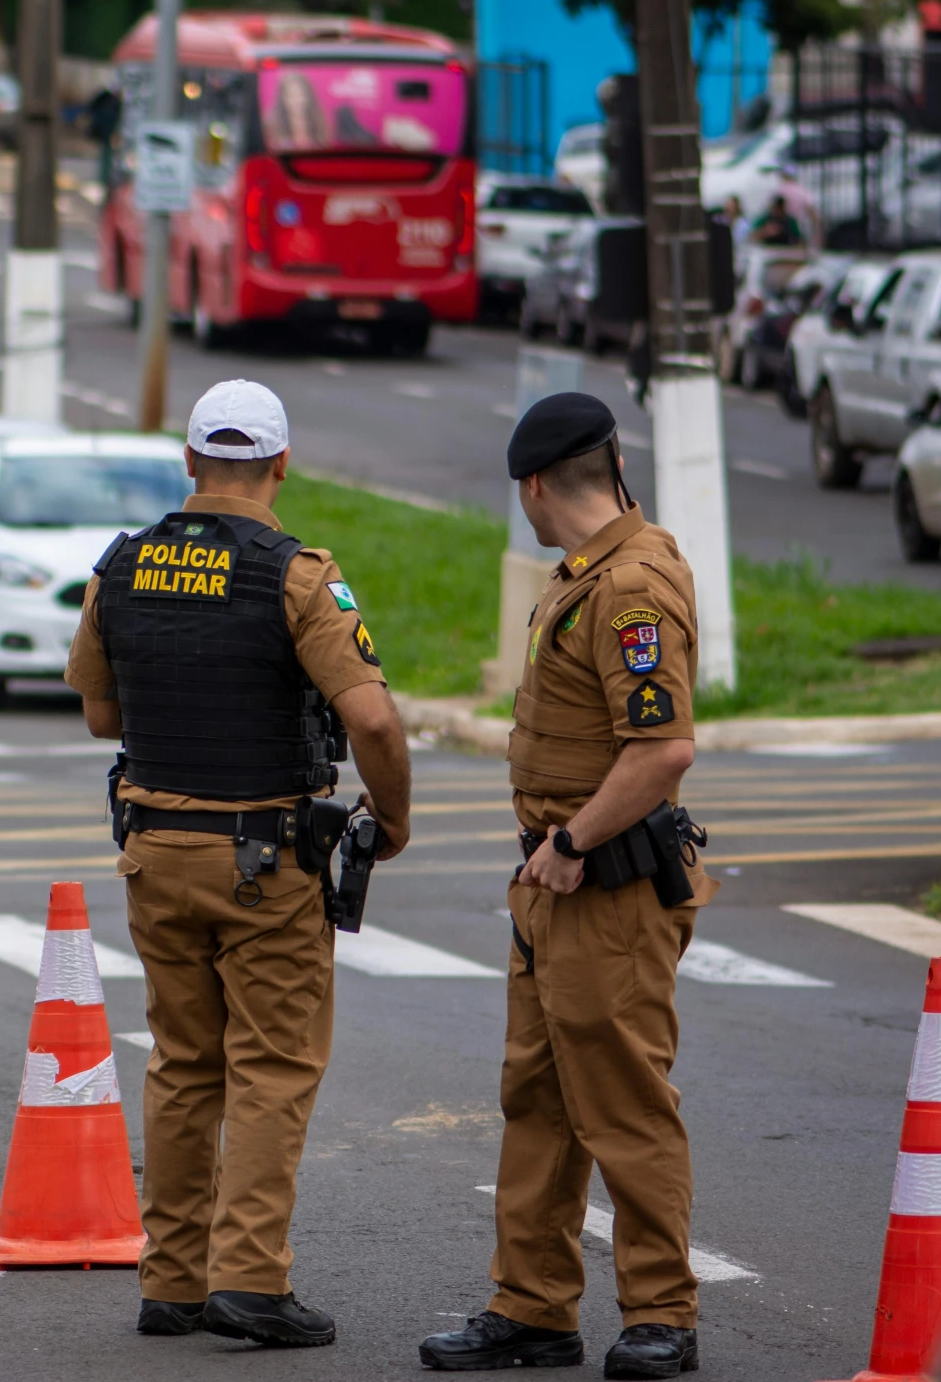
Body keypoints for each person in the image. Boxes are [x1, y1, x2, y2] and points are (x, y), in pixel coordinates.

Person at [65, 379, 413, 1349]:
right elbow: (373, 716)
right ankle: (251, 1280)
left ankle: (172, 1281)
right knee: (269, 1065)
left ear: (187, 463)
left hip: (153, 849)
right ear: (280, 465)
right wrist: (391, 818)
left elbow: (101, 715)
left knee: (182, 1063)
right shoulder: (296, 574)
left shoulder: (121, 567)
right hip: (263, 862)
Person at [420, 392, 717, 1380]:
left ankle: (661, 1315)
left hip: (602, 879)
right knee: (538, 1099)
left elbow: (662, 750)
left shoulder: (629, 588)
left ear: (535, 485)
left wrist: (572, 840)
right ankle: (533, 1307)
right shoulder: (588, 575)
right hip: (556, 882)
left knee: (622, 1099)